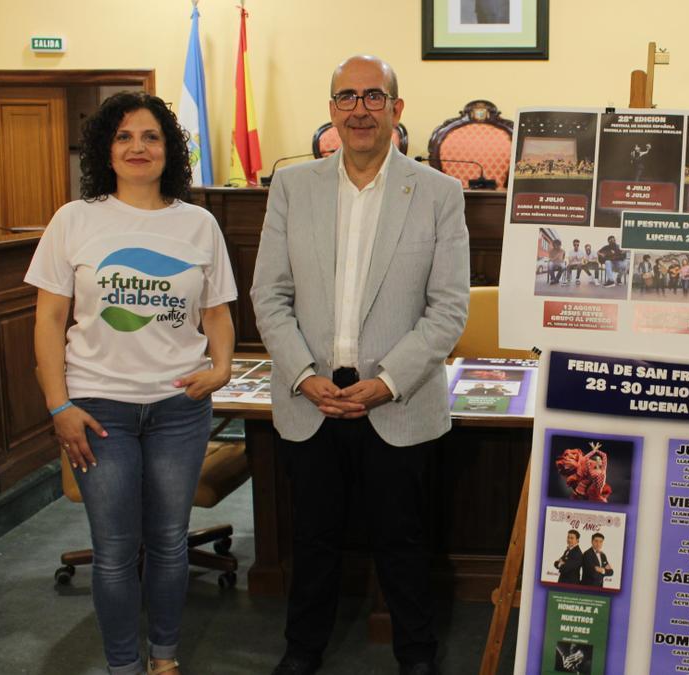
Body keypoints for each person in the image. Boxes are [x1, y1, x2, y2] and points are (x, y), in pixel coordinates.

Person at [251, 55, 469, 675]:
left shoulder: (438, 193)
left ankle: (417, 656)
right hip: (309, 400)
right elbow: (269, 294)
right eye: (346, 97)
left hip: (397, 402)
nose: (359, 109)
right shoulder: (293, 187)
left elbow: (448, 308)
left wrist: (385, 382)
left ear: (397, 111)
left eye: (374, 96)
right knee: (313, 543)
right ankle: (302, 652)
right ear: (331, 110)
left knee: (402, 545)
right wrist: (301, 374)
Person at [27, 91, 237, 675]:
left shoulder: (199, 224)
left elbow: (217, 313)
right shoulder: (75, 219)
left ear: (169, 150)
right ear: (106, 149)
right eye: (124, 136)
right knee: (117, 550)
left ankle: (163, 659)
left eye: (150, 137)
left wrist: (219, 368)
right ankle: (123, 665)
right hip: (98, 411)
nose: (138, 147)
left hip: (179, 408)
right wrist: (57, 406)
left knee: (170, 543)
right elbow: (47, 320)